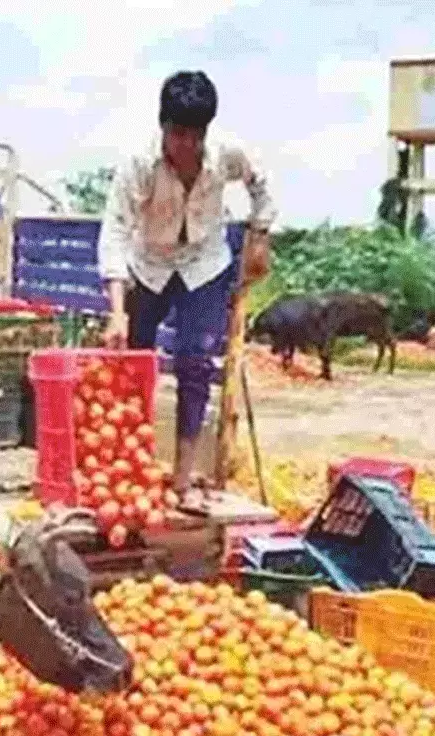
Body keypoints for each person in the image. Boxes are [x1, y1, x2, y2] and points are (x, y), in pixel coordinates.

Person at [98, 70, 276, 505]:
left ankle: (183, 477)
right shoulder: (138, 165)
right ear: (163, 126)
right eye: (179, 135)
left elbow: (260, 184)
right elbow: (115, 231)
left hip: (204, 264)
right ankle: (130, 467)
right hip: (149, 265)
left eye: (196, 136)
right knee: (134, 363)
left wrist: (260, 235)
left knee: (195, 361)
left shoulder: (227, 155)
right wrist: (117, 312)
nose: (187, 146)